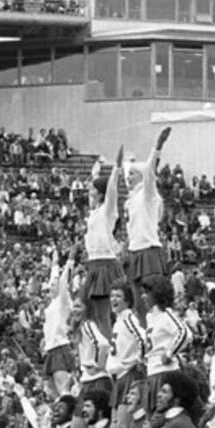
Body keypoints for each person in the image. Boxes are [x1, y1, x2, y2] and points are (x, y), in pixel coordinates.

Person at [125, 127, 172, 321]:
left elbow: (150, 172)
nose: (128, 178)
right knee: (139, 306)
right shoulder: (129, 201)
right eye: (128, 175)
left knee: (154, 304)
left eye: (133, 174)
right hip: (135, 252)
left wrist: (157, 148)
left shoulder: (147, 194)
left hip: (149, 252)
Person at [83, 147, 126, 339]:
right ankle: (104, 347)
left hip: (105, 263)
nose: (90, 192)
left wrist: (116, 168)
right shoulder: (94, 212)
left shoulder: (108, 212)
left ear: (101, 193)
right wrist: (95, 171)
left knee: (107, 314)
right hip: (93, 263)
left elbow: (112, 192)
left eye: (93, 189)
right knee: (96, 314)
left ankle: (111, 348)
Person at [141, 274, 191, 413]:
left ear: (157, 293)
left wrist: (169, 353)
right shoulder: (149, 317)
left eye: (147, 293)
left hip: (165, 373)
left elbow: (185, 333)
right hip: (151, 373)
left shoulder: (166, 314)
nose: (143, 297)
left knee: (162, 417)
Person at [107, 282, 147, 424]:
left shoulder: (129, 319)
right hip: (119, 378)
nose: (113, 299)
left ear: (127, 300)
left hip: (128, 376)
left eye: (118, 296)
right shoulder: (118, 321)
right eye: (112, 296)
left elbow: (143, 339)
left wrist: (139, 360)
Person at [42, 255, 75, 397]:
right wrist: (54, 263)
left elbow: (62, 282)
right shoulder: (51, 305)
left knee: (62, 388)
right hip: (51, 348)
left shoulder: (63, 301)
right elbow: (54, 279)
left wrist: (70, 261)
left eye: (53, 285)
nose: (50, 287)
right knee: (51, 390)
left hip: (60, 346)